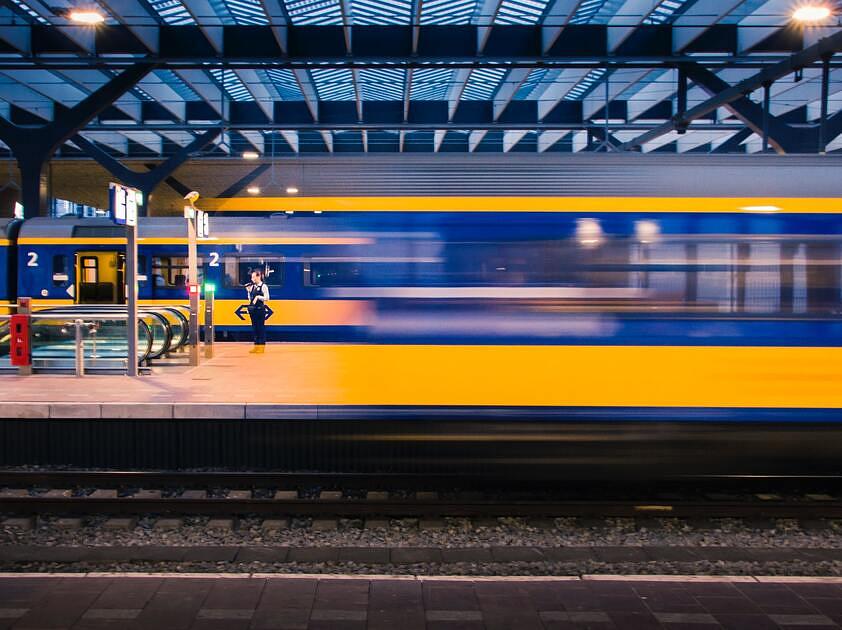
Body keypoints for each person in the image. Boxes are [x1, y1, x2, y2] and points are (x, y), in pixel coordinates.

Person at [246, 269, 269, 352]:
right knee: (255, 328)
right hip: (253, 310)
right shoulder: (252, 287)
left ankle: (261, 348)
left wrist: (258, 297)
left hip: (260, 310)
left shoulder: (263, 286)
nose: (252, 279)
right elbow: (250, 299)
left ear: (258, 276)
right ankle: (256, 346)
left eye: (253, 277)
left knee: (260, 328)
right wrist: (249, 292)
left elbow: (267, 298)